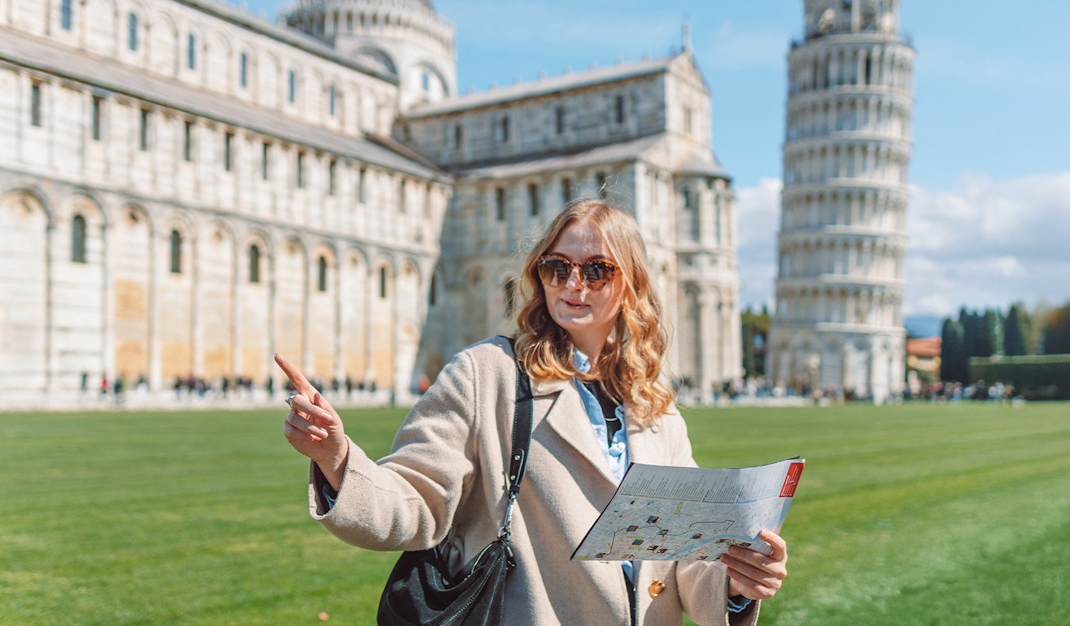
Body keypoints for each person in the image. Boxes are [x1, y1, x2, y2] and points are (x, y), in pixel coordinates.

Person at [278, 199, 788, 625]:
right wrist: (339, 460)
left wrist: (738, 582)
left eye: (596, 269)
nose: (573, 283)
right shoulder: (488, 374)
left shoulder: (654, 404)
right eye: (556, 267)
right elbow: (416, 503)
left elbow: (679, 556)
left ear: (629, 283)